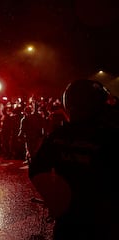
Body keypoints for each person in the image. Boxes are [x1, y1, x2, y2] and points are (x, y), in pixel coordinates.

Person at [29, 79, 119, 240]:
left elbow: (36, 169)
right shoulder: (110, 136)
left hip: (68, 219)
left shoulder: (59, 135)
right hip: (103, 220)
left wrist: (57, 199)